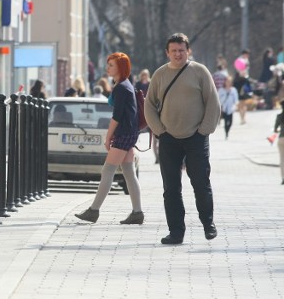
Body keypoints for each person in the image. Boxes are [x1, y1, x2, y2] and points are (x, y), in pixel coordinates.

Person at [144, 33, 221, 245]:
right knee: (171, 188)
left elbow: (213, 102)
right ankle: (176, 232)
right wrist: (159, 130)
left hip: (196, 137)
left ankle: (208, 223)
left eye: (182, 50)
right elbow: (149, 105)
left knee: (200, 183)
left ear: (188, 51)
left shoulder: (199, 72)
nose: (178, 54)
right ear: (167, 52)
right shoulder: (160, 75)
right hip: (168, 138)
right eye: (174, 51)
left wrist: (204, 130)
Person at [75, 52, 144, 225]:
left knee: (108, 170)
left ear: (121, 67)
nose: (108, 68)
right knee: (128, 171)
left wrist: (108, 137)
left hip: (124, 133)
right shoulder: (124, 84)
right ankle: (137, 213)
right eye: (108, 64)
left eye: (111, 65)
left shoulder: (122, 87)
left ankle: (94, 211)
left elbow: (117, 116)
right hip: (130, 132)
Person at [274, 101, 284, 185]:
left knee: (282, 159)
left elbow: (275, 130)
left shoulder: (279, 116)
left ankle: (283, 177)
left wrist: (279, 130)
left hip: (281, 138)